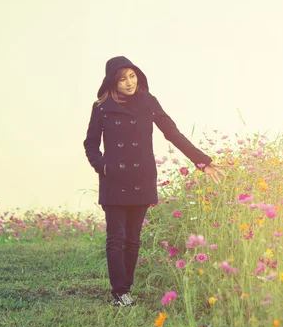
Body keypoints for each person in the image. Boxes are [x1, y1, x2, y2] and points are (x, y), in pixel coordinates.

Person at [83, 56, 226, 307]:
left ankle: (125, 289)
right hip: (113, 178)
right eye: (122, 79)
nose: (128, 83)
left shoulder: (148, 101)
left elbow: (172, 133)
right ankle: (119, 292)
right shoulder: (101, 107)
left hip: (141, 177)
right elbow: (90, 144)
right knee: (116, 237)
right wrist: (102, 165)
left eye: (132, 76)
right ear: (112, 82)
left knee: (133, 239)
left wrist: (201, 161)